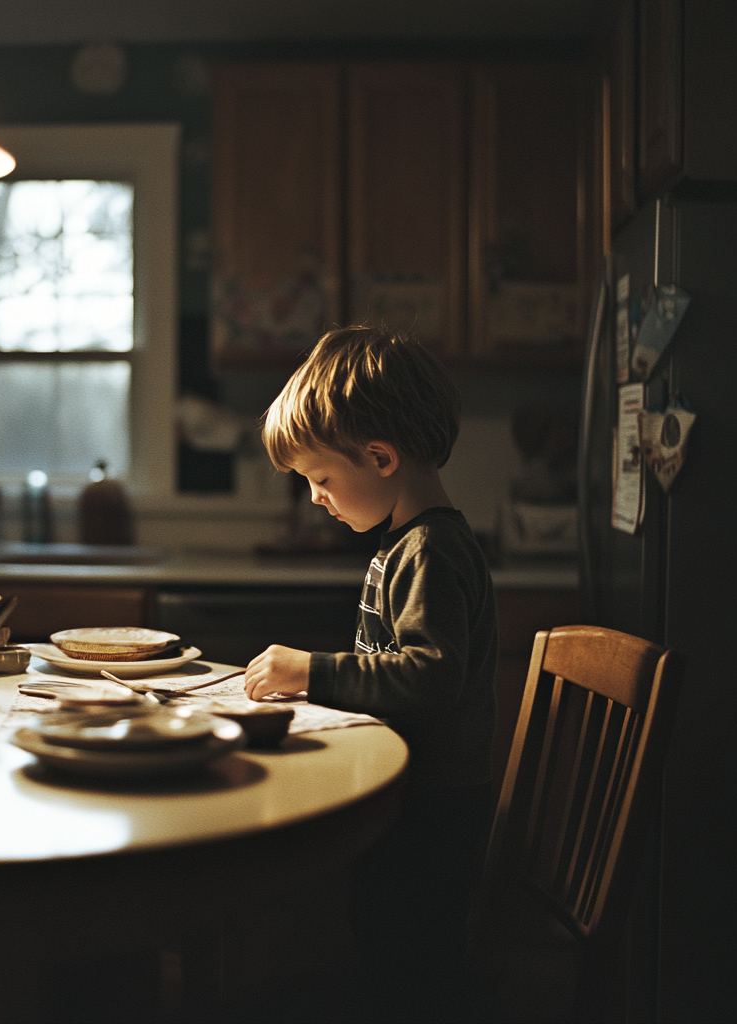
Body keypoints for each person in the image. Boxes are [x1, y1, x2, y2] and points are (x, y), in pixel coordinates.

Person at [244, 325, 497, 1022]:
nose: (317, 498)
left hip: (433, 805)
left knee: (411, 958)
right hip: (413, 790)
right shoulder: (407, 541)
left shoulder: (432, 551)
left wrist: (312, 673)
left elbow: (428, 677)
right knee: (382, 934)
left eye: (322, 479)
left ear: (380, 457)